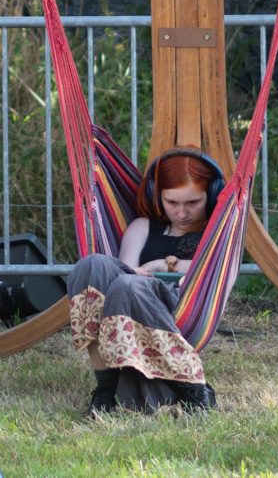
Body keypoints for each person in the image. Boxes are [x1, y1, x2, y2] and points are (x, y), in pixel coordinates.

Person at [66, 148, 221, 415]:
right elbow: (127, 269)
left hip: (180, 304)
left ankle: (191, 386)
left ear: (212, 195)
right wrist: (140, 273)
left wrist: (161, 264)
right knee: (90, 266)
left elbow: (210, 269)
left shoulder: (215, 233)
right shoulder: (142, 227)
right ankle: (106, 387)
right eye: (172, 202)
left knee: (129, 285)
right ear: (156, 196)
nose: (182, 213)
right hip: (125, 299)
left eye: (193, 203)